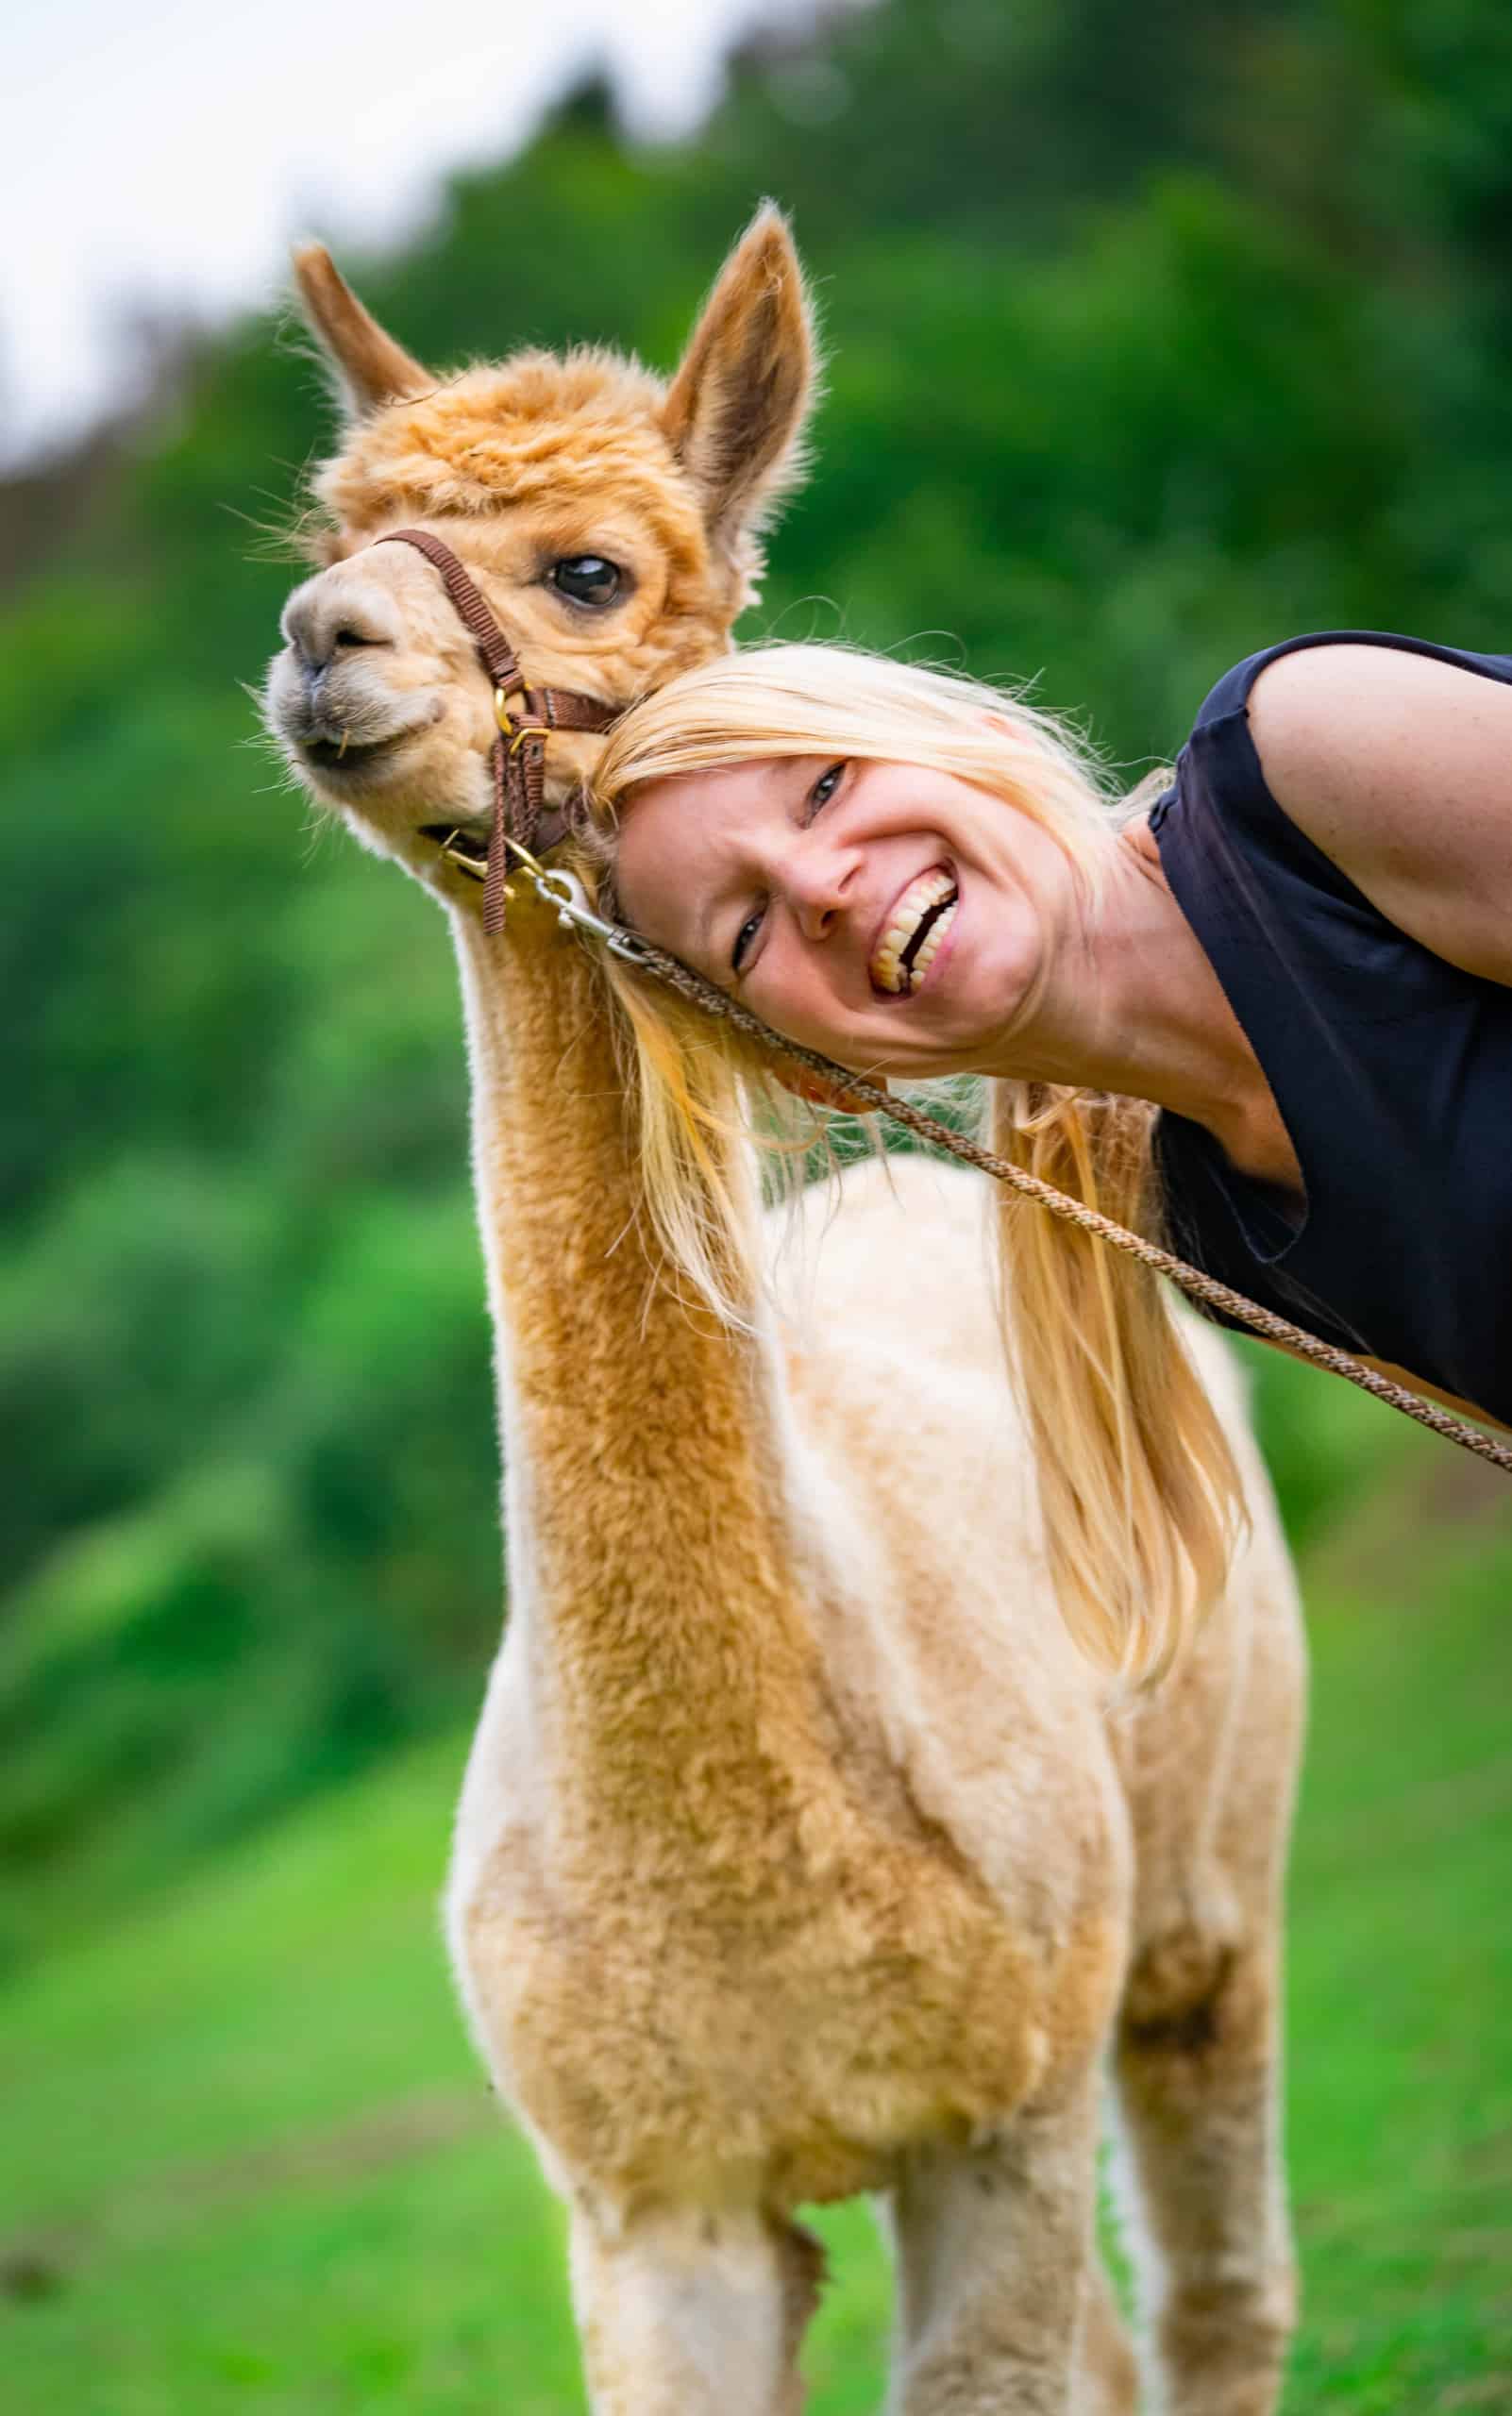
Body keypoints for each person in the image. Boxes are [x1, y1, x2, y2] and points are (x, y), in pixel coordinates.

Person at [581, 633, 1512, 1661]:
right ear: (815, 1070)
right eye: (746, 930)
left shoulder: (1306, 753)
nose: (817, 884)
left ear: (978, 741)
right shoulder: (1212, 1237)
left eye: (825, 787)